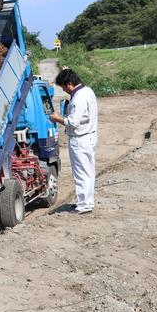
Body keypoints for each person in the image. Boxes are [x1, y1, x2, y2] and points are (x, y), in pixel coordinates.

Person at [49, 69, 98, 214]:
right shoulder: (87, 91)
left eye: (64, 87)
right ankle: (86, 202)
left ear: (70, 84)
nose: (64, 90)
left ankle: (84, 205)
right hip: (89, 136)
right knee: (88, 171)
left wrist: (56, 118)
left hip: (80, 139)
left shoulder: (78, 98)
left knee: (81, 173)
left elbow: (73, 122)